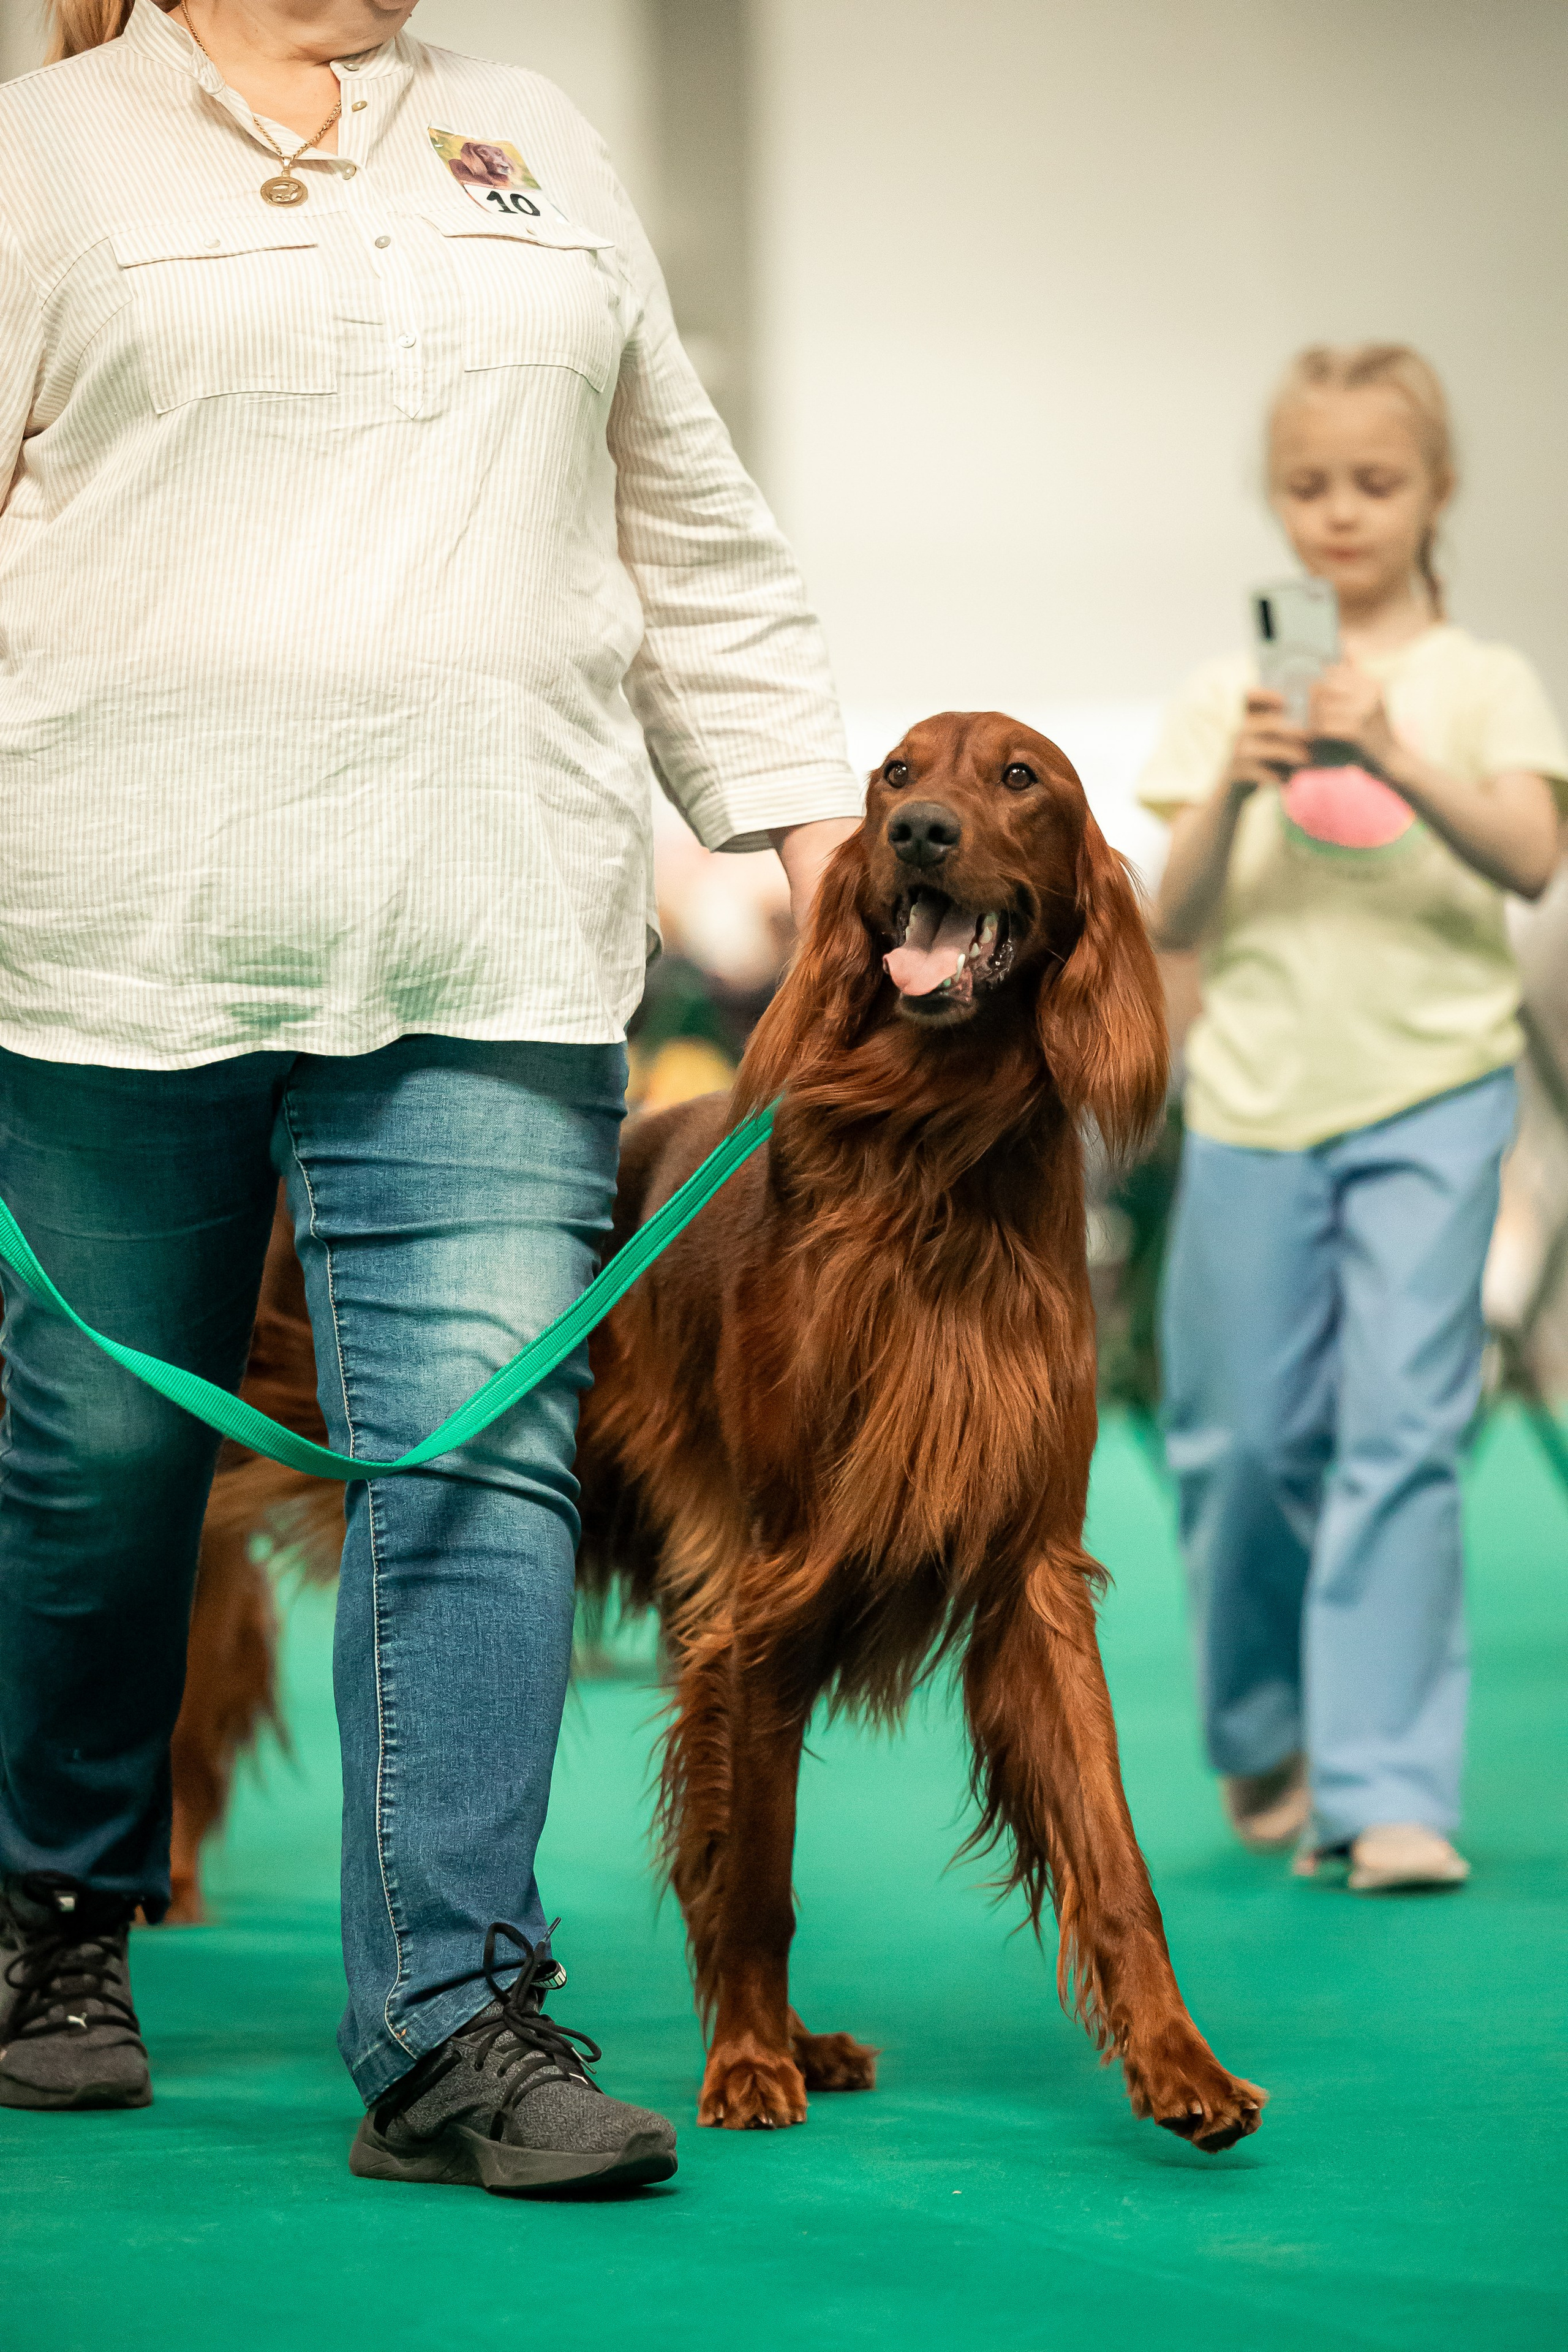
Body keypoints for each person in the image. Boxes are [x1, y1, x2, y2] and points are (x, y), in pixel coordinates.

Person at [0, 0, 861, 2195]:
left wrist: (803, 823)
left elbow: (683, 519)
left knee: (480, 1447)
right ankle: (52, 1914)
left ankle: (453, 2018)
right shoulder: (52, 153)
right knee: (102, 1454)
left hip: (490, 930)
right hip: (116, 933)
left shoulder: (535, 141)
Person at [1139, 344, 1567, 1893]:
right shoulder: (1221, 694)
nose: (1338, 514)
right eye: (1307, 486)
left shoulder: (1483, 681)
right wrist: (1239, 782)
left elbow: (1530, 856)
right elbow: (1169, 916)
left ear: (1433, 494)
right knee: (1242, 1440)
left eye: (1373, 484)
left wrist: (1387, 746)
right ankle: (1263, 1727)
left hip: (1433, 1098)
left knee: (1401, 1433)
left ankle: (1386, 1790)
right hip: (1253, 1105)